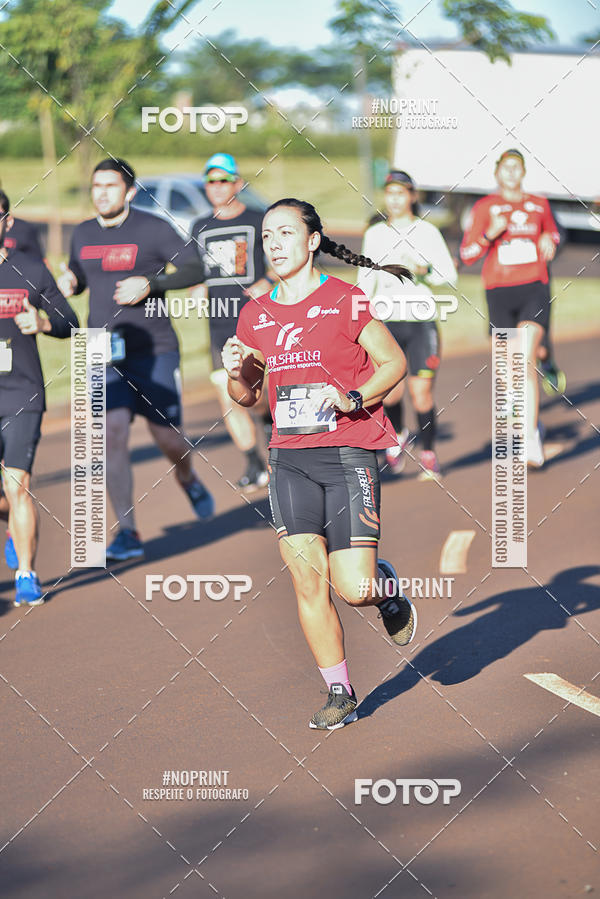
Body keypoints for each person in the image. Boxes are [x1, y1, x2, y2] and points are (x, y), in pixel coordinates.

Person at [222, 198, 417, 730]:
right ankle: (340, 690)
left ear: (312, 241)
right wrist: (238, 372)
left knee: (353, 590)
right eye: (266, 236)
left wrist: (353, 398)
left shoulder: (345, 300)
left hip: (349, 451)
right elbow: (248, 398)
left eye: (285, 233)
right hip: (289, 459)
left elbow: (394, 363)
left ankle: (387, 591)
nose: (274, 243)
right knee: (308, 583)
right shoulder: (256, 314)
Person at [57, 158, 214, 561]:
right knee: (110, 435)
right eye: (96, 186)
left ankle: (188, 478)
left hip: (154, 347)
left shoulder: (153, 227)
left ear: (129, 191)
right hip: (98, 349)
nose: (102, 193)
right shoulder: (82, 232)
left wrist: (152, 282)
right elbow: (77, 275)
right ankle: (128, 532)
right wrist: (70, 282)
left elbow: (197, 266)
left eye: (111, 186)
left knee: (167, 437)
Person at [0, 190, 79, 605]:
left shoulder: (30, 269)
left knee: (19, 484)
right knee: (7, 495)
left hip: (21, 393)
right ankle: (14, 525)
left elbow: (71, 321)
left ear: (7, 222)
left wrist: (43, 320)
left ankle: (26, 574)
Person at [460, 149, 561, 468]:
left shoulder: (539, 203)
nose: (512, 173)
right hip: (499, 291)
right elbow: (467, 255)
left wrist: (550, 239)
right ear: (497, 173)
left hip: (534, 287)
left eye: (517, 167)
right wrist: (492, 231)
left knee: (525, 359)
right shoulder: (485, 207)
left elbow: (554, 231)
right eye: (506, 167)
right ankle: (531, 425)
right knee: (506, 371)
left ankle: (530, 436)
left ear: (524, 172)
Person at [359, 171, 457, 481]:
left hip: (420, 320)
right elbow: (364, 281)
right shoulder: (374, 234)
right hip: (386, 320)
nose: (395, 199)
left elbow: (449, 275)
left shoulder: (427, 231)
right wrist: (359, 312)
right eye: (390, 192)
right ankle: (399, 433)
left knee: (422, 393)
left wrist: (426, 270)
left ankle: (428, 452)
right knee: (391, 394)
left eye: (401, 192)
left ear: (412, 196)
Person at [187, 153, 273, 490]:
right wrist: (196, 286)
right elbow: (195, 270)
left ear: (237, 183)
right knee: (228, 395)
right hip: (219, 326)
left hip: (257, 321)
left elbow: (282, 257)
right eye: (211, 181)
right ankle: (254, 464)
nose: (217, 187)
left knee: (261, 392)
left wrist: (269, 280)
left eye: (223, 180)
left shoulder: (258, 219)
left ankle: (269, 424)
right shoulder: (200, 226)